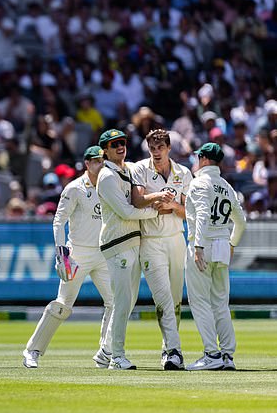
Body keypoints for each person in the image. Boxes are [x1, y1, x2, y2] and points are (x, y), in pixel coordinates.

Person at [22, 146, 114, 369]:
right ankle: (32, 351)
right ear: (87, 163)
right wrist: (62, 254)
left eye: (103, 161)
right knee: (63, 306)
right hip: (78, 254)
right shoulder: (74, 189)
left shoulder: (110, 186)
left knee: (116, 303)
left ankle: (106, 352)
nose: (100, 165)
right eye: (96, 161)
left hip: (103, 254)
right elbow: (58, 221)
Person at [96, 129, 173, 370]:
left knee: (127, 303)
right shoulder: (107, 176)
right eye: (114, 144)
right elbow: (126, 212)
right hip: (117, 243)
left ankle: (105, 352)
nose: (120, 147)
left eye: (123, 143)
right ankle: (117, 357)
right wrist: (156, 209)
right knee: (121, 302)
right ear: (105, 151)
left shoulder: (125, 169)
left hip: (132, 241)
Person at [131, 129, 193, 370]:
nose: (156, 152)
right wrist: (156, 198)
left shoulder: (183, 173)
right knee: (163, 299)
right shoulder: (139, 169)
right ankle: (175, 352)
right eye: (152, 148)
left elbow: (188, 212)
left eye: (160, 148)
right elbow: (137, 201)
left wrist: (170, 204)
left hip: (176, 239)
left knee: (175, 301)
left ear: (168, 148)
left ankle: (168, 348)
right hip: (150, 240)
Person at [185, 143, 246, 371]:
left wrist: (198, 246)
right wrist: (232, 244)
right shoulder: (226, 186)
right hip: (221, 246)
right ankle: (227, 356)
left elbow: (202, 214)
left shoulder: (199, 183)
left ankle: (211, 354)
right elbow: (241, 222)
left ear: (203, 159)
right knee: (220, 303)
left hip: (203, 244)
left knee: (200, 302)